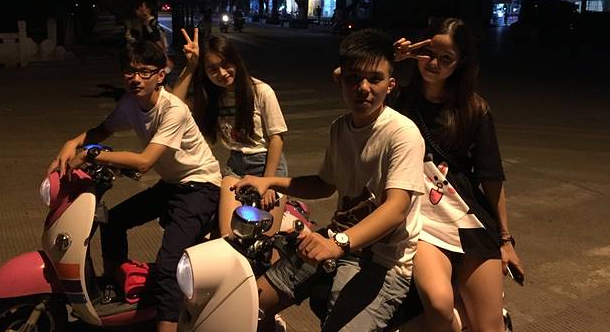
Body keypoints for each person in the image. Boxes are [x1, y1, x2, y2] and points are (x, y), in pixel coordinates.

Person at [233, 28, 426, 331]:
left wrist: (339, 244)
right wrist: (268, 181)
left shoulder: (402, 133)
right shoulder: (340, 128)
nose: (363, 88)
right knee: (249, 304)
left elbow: (396, 208)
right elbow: (324, 184)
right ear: (341, 81)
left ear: (390, 85)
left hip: (382, 262)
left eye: (374, 79)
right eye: (354, 79)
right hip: (335, 240)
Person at [46, 40, 221, 332]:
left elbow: (144, 162)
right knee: (113, 221)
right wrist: (71, 142)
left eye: (144, 72)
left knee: (169, 267)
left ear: (160, 75)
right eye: (129, 71)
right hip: (172, 184)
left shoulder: (174, 110)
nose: (136, 78)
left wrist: (91, 153)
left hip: (200, 186)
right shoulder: (130, 102)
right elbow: (101, 130)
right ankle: (115, 287)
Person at [392, 17, 524, 332]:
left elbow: (491, 177)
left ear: (460, 63)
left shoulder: (474, 109)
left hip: (469, 220)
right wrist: (391, 56)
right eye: (428, 53)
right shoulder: (398, 100)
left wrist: (505, 239)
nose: (434, 63)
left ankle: (487, 317)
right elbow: (345, 78)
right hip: (424, 224)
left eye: (446, 58)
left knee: (488, 327)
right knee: (439, 305)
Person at [172, 29, 288, 237]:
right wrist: (191, 66)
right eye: (213, 69)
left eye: (226, 64)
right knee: (228, 234)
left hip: (267, 164)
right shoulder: (212, 98)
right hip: (236, 166)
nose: (222, 73)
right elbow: (175, 103)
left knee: (265, 238)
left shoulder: (261, 91)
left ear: (236, 61)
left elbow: (276, 139)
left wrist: (269, 182)